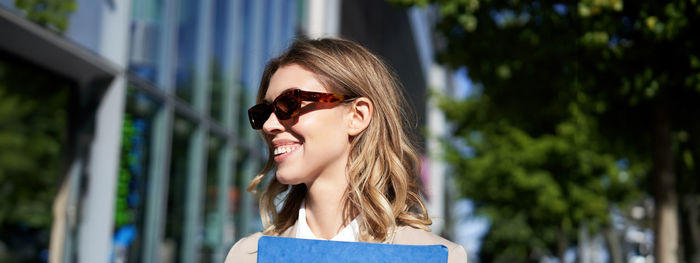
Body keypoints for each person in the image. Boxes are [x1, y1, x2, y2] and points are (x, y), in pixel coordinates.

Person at [225, 38, 467, 263]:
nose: (269, 125)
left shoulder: (438, 257)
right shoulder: (246, 256)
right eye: (264, 112)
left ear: (357, 116)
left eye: (290, 104)